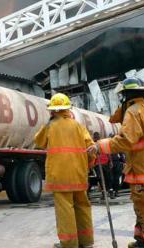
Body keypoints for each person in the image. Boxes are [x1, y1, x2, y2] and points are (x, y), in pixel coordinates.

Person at [88, 78, 144, 248]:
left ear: (126, 95)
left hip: (142, 172)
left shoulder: (133, 112)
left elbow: (126, 141)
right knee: (142, 207)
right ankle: (141, 240)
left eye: (122, 96)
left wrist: (100, 145)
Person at [35, 93, 96, 248]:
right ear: (68, 109)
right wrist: (88, 164)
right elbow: (91, 149)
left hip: (60, 176)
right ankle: (86, 241)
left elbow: (39, 142)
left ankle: (69, 243)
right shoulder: (79, 126)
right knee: (83, 207)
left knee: (65, 210)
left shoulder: (51, 126)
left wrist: (48, 123)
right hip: (79, 175)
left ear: (53, 111)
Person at [92, 132, 112, 199]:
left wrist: (110, 161)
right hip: (98, 164)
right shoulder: (93, 144)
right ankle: (105, 192)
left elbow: (108, 152)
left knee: (106, 177)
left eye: (96, 137)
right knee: (101, 178)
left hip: (104, 163)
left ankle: (109, 191)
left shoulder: (101, 143)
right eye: (95, 137)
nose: (95, 138)